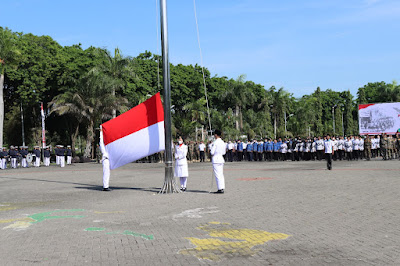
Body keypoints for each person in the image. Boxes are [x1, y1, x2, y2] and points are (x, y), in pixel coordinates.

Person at [211, 129, 226, 194]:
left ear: (216, 135)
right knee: (221, 174)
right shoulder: (222, 142)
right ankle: (222, 187)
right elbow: (224, 152)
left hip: (216, 159)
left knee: (217, 174)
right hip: (221, 158)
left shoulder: (215, 142)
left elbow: (212, 152)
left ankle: (220, 188)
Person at [100, 126, 111, 191]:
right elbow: (101, 141)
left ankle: (106, 185)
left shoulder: (108, 146)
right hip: (105, 159)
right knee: (106, 173)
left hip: (108, 159)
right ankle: (105, 186)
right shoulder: (103, 147)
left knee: (107, 173)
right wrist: (101, 133)